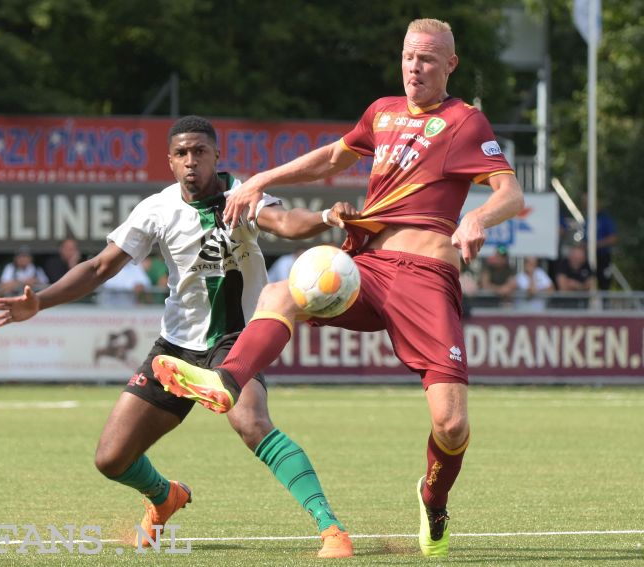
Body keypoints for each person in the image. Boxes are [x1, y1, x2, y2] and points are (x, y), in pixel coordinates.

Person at [149, 19, 525, 559]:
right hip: (365, 267)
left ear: (450, 65)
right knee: (282, 292)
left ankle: (433, 496)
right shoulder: (382, 111)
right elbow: (331, 158)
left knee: (452, 424)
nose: (414, 67)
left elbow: (509, 193)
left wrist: (478, 220)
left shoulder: (465, 122)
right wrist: (260, 181)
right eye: (408, 57)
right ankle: (227, 381)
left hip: (425, 280)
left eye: (426, 58)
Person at [0, 116, 358, 558]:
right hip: (175, 350)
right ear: (169, 161)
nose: (190, 162)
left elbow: (285, 222)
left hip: (235, 341)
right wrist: (40, 303)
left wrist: (325, 216)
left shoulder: (243, 195)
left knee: (251, 422)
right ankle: (165, 496)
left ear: (216, 156)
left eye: (199, 152)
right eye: (181, 154)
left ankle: (331, 529)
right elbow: (99, 267)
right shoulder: (156, 210)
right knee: (111, 459)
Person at [553, 244, 593, 308]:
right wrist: (581, 287)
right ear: (570, 256)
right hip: (563, 305)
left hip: (582, 305)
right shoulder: (563, 264)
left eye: (580, 258)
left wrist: (574, 285)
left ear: (584, 258)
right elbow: (563, 288)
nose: (577, 260)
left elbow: (590, 286)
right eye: (575, 257)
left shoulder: (586, 266)